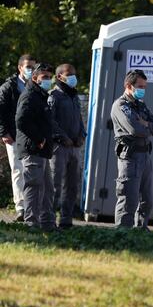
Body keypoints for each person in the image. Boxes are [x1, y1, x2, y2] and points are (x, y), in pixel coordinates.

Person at [111, 69, 153, 228]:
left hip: (144, 156)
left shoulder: (140, 106)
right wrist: (148, 128)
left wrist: (146, 123)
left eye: (144, 87)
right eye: (140, 86)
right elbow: (135, 130)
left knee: (147, 200)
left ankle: (140, 232)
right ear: (128, 85)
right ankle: (123, 234)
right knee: (128, 199)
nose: (143, 90)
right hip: (130, 157)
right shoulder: (121, 105)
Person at [15, 62, 56, 230]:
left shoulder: (40, 95)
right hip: (33, 149)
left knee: (47, 189)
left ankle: (47, 224)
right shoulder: (29, 95)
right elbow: (21, 120)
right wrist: (39, 139)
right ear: (34, 78)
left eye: (49, 77)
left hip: (42, 150)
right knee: (34, 186)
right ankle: (31, 224)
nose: (48, 80)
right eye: (44, 77)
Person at [48, 64, 86, 228]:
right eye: (69, 74)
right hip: (59, 148)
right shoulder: (53, 96)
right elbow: (50, 122)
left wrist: (81, 136)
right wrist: (63, 138)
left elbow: (79, 121)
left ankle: (66, 219)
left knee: (72, 185)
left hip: (74, 148)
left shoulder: (74, 97)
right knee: (54, 185)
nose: (73, 78)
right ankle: (48, 220)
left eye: (74, 74)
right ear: (59, 77)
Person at [0, 54, 36, 221]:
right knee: (18, 170)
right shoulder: (8, 87)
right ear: (20, 67)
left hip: (31, 136)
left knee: (31, 170)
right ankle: (21, 207)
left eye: (33, 67)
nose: (31, 70)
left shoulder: (35, 85)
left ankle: (31, 206)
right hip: (13, 136)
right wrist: (3, 132)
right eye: (28, 67)